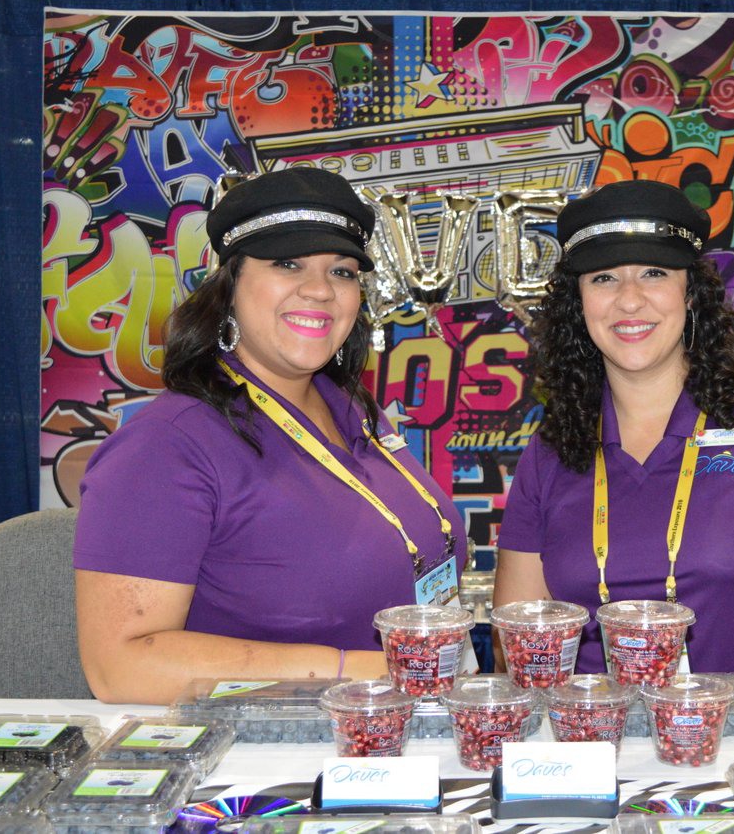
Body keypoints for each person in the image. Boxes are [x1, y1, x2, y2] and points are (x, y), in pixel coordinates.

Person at [75, 167, 465, 704]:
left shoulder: (355, 410)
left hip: (393, 722)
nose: (320, 290)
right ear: (230, 285)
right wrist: (357, 670)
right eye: (287, 263)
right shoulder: (166, 446)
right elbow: (120, 667)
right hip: (267, 742)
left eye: (342, 271)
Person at [492, 180, 734, 682]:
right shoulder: (551, 450)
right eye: (603, 278)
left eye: (654, 273)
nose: (629, 300)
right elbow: (515, 644)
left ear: (691, 293)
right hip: (590, 727)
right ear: (579, 303)